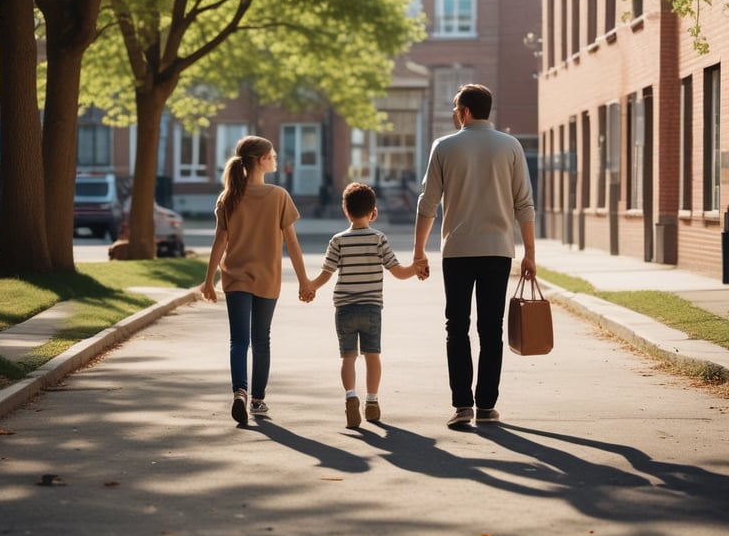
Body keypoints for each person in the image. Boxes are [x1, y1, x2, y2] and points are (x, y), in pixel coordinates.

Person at [413, 84, 536, 428]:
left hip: (458, 250)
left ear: (464, 111)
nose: (455, 114)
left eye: (456, 109)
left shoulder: (444, 147)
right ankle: (486, 405)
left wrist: (419, 251)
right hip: (498, 250)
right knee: (491, 328)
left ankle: (462, 405)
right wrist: (529, 253)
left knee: (457, 326)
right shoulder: (511, 146)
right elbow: (524, 203)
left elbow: (428, 203)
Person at [201, 136, 312, 425]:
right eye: (272, 155)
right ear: (260, 160)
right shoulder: (278, 196)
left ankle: (240, 391)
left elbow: (220, 241)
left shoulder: (228, 196)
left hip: (235, 277)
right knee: (261, 340)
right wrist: (304, 281)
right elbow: (292, 243)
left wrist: (208, 280)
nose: (275, 158)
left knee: (238, 341)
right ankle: (258, 401)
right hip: (267, 279)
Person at [305, 182, 422, 428]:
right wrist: (416, 269)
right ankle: (372, 401)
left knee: (347, 358)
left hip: (345, 309)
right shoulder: (379, 239)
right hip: (371, 308)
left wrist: (310, 287)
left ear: (345, 211)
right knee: (372, 356)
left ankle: (350, 397)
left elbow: (326, 274)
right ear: (374, 212)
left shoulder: (338, 240)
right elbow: (398, 272)